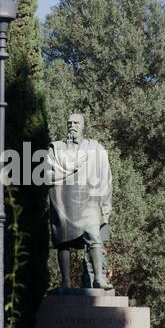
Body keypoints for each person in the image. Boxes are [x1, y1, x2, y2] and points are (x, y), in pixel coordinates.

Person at [46, 113, 113, 290]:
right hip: (63, 202)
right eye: (69, 123)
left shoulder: (95, 148)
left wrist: (105, 206)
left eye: (76, 123)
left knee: (94, 237)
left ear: (83, 126)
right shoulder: (56, 148)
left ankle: (99, 278)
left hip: (88, 203)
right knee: (63, 243)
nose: (72, 126)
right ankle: (66, 282)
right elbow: (47, 176)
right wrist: (71, 168)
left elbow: (106, 177)